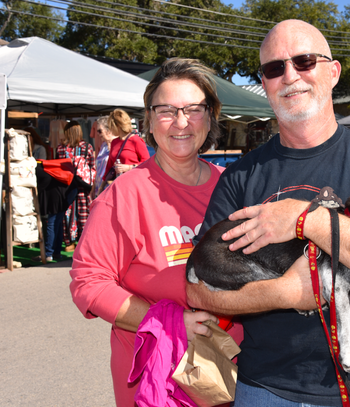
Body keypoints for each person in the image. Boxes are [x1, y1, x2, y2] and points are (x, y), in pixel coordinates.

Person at [186, 20, 350, 407]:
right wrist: (285, 292)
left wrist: (308, 220)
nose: (290, 76)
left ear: (333, 72)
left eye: (304, 61)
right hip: (263, 390)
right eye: (274, 68)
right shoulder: (239, 177)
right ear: (265, 84)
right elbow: (198, 288)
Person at [69, 58, 242, 407]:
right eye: (166, 110)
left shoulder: (232, 188)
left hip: (234, 372)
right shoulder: (125, 194)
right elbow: (89, 283)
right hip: (157, 379)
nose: (181, 122)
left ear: (210, 117)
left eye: (194, 109)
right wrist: (170, 322)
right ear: (149, 120)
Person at [56, 121, 95, 252]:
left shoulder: (60, 148)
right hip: (83, 186)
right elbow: (91, 166)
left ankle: (69, 242)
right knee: (84, 212)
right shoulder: (87, 147)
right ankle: (84, 241)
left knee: (68, 213)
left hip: (66, 186)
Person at [98, 109, 150, 192]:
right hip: (119, 185)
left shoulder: (136, 140)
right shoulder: (114, 142)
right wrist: (102, 186)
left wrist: (129, 167)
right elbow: (109, 166)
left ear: (117, 125)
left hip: (134, 185)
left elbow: (148, 164)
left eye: (111, 126)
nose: (110, 129)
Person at [91, 116, 117, 200]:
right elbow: (99, 170)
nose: (98, 134)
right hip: (99, 190)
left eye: (99, 131)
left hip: (110, 190)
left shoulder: (118, 145)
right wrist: (93, 189)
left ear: (109, 130)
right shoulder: (104, 145)